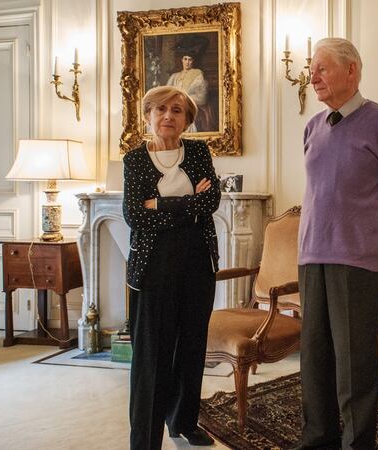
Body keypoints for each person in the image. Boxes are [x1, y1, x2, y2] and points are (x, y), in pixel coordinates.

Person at [295, 37, 378, 450]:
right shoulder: (312, 127)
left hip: (357, 260)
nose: (312, 76)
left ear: (352, 71)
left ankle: (356, 442)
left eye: (322, 68)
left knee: (354, 361)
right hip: (312, 256)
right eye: (312, 69)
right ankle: (318, 438)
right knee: (314, 357)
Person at [123, 85, 221, 449]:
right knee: (152, 356)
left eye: (177, 110)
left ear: (187, 120)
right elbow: (134, 215)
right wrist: (187, 204)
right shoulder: (134, 160)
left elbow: (210, 200)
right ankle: (145, 440)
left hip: (198, 262)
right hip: (154, 267)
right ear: (148, 115)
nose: (168, 116)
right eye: (161, 109)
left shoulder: (197, 151)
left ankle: (183, 420)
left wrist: (159, 206)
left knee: (192, 345)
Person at [166, 52, 217, 133]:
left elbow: (201, 97)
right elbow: (167, 93)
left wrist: (183, 100)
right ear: (182, 60)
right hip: (174, 105)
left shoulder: (197, 73)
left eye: (190, 59)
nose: (187, 62)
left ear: (193, 61)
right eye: (185, 59)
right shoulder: (174, 76)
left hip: (189, 104)